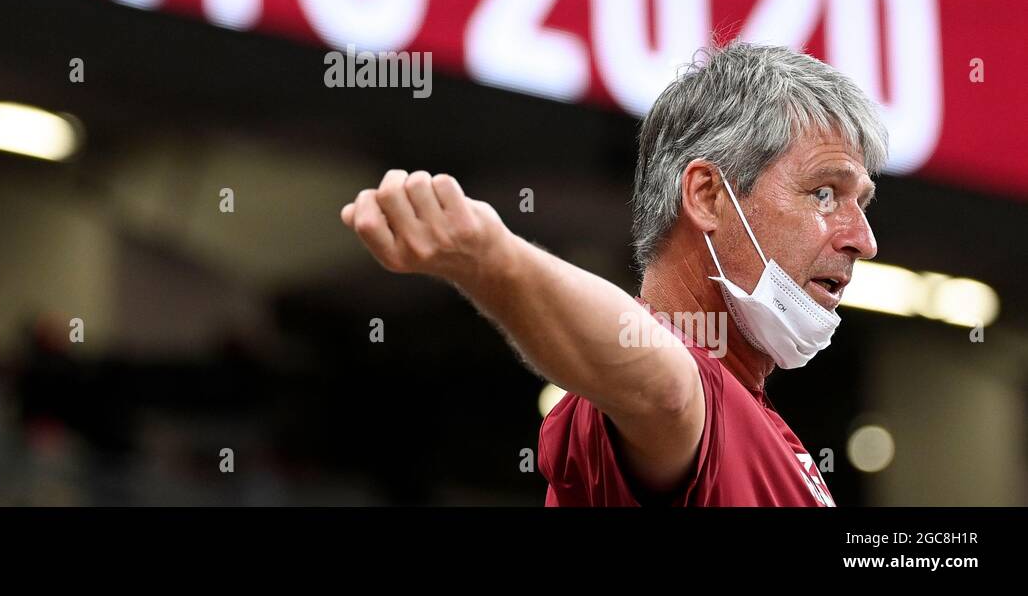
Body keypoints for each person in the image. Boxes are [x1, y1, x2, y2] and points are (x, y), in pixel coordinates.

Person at [340, 42, 886, 505]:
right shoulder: (676, 405)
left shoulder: (772, 436)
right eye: (824, 193)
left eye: (861, 202)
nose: (863, 239)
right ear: (707, 196)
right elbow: (664, 391)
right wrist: (492, 259)